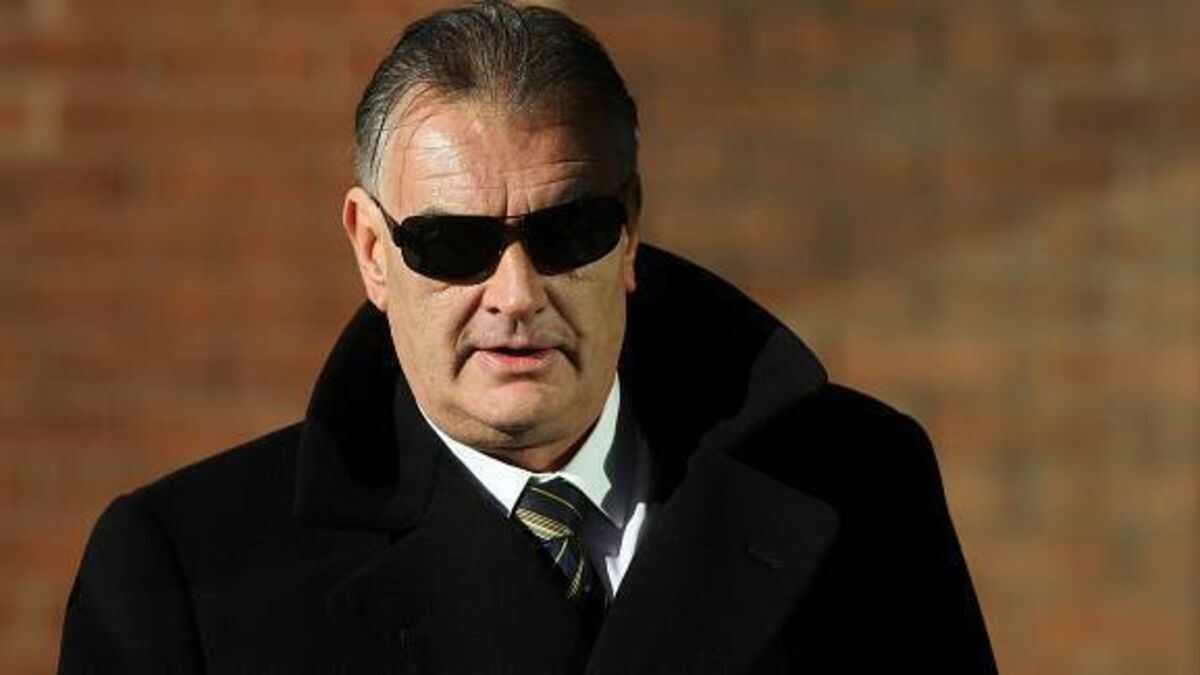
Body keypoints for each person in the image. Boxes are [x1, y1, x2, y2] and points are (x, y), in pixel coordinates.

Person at [57, 2, 997, 672]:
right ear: (372, 250)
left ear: (629, 232)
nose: (515, 294)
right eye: (452, 244)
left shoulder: (857, 488)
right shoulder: (188, 576)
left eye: (566, 231)